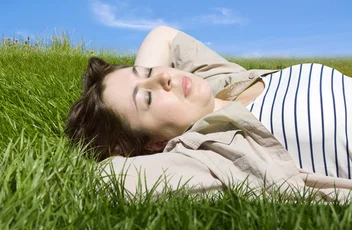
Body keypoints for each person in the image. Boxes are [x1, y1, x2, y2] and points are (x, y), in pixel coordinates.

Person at [65, 26, 352, 200]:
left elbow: (163, 36)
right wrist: (133, 147)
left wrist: (140, 85)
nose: (164, 78)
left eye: (150, 71)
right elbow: (105, 178)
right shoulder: (215, 155)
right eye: (148, 98)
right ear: (153, 143)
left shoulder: (226, 81)